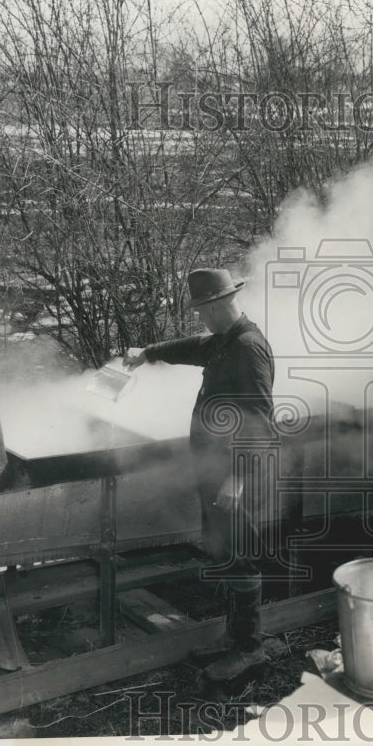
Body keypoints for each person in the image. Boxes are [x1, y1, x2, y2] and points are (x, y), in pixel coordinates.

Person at [124, 268, 274, 682]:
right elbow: (192, 347)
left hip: (235, 476)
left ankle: (249, 649)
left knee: (239, 558)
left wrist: (238, 477)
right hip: (216, 471)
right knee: (224, 552)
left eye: (203, 311)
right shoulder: (224, 341)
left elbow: (260, 419)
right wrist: (148, 352)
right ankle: (235, 637)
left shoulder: (248, 348)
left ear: (220, 304)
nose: (201, 320)